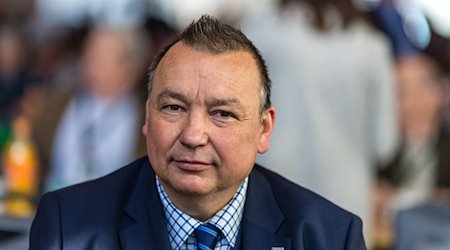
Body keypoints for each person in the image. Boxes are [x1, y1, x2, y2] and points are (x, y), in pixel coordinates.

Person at [29, 15, 367, 249]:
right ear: (147, 116)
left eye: (222, 113)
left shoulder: (328, 236)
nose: (193, 135)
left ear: (263, 130)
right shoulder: (68, 227)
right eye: (174, 108)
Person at [241, 0, 399, 244]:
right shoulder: (370, 45)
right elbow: (384, 144)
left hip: (273, 192)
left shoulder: (262, 33)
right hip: (346, 198)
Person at [31, 26, 149, 192]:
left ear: (130, 70)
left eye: (100, 59)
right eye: (87, 54)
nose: (87, 65)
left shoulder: (147, 117)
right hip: (52, 203)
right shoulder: (56, 102)